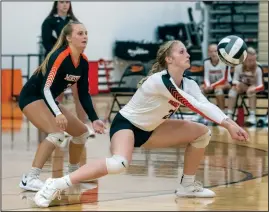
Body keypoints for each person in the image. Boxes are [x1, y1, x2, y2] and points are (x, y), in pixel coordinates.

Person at [34, 40, 249, 208]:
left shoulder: (190, 83)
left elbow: (204, 103)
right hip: (126, 125)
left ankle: (187, 186)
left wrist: (228, 122)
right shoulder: (160, 81)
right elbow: (193, 105)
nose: (188, 54)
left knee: (202, 133)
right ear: (169, 59)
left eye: (187, 51)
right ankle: (57, 184)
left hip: (151, 129)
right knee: (119, 164)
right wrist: (229, 125)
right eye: (181, 51)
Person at [18, 21, 106, 192]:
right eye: (80, 33)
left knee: (82, 133)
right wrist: (57, 113)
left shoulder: (83, 61)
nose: (85, 36)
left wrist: (94, 119)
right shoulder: (59, 56)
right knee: (57, 133)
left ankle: (73, 176)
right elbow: (45, 88)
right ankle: (30, 178)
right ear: (68, 38)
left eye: (86, 33)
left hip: (46, 98)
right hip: (31, 97)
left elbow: (83, 93)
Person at [41, 0, 95, 137]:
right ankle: (58, 126)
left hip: (73, 63)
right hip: (57, 64)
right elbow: (47, 44)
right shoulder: (49, 22)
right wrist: (62, 56)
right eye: (62, 2)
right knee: (56, 95)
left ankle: (82, 127)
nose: (65, 5)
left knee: (80, 94)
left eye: (67, 2)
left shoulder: (74, 22)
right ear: (56, 4)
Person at [227, 47, 264, 125]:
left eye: (253, 60)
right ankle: (229, 114)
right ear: (244, 59)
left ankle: (252, 116)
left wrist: (253, 88)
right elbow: (234, 80)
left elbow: (261, 85)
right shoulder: (238, 66)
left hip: (254, 88)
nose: (252, 62)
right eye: (249, 60)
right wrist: (237, 84)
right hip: (241, 87)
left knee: (251, 91)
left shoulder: (258, 67)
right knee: (232, 91)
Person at [201, 44, 232, 113]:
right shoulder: (206, 62)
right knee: (201, 89)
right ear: (208, 53)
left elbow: (224, 79)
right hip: (212, 84)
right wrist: (208, 86)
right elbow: (206, 77)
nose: (213, 54)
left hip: (226, 84)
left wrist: (211, 86)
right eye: (211, 52)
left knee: (218, 90)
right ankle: (203, 113)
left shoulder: (225, 61)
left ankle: (222, 112)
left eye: (215, 51)